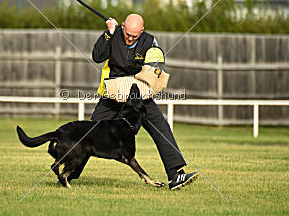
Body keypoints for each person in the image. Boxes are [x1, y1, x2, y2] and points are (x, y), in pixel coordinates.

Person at [67, 14, 199, 190]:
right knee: (90, 132)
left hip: (138, 97)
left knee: (161, 128)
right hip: (113, 95)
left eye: (134, 36)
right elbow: (97, 56)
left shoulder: (150, 42)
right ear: (122, 26)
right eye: (127, 34)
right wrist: (109, 33)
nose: (129, 38)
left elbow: (156, 69)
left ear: (142, 32)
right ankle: (69, 173)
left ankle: (175, 175)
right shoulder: (113, 35)